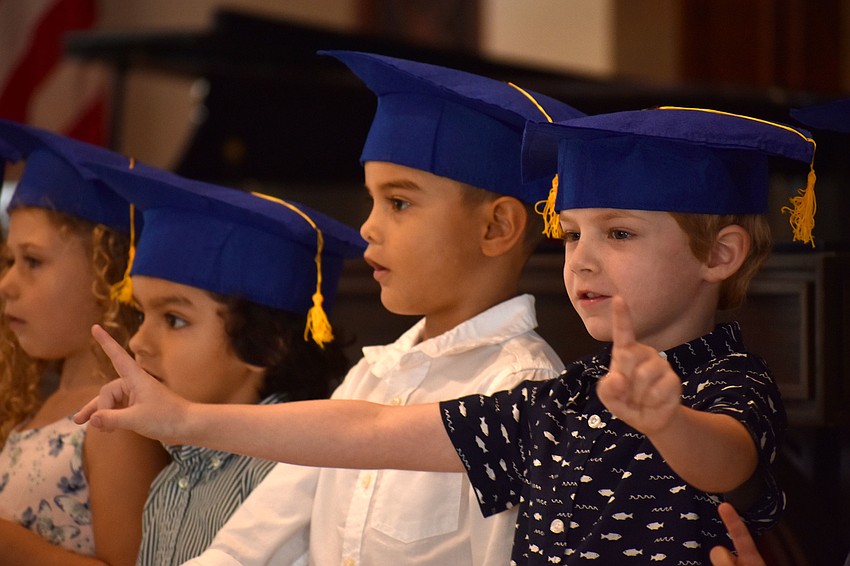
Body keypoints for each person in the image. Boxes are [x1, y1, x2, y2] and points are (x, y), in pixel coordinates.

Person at [76, 106, 815, 563]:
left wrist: (668, 421)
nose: (582, 257)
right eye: (573, 233)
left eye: (618, 233)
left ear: (720, 256)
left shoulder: (725, 384)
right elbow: (369, 431)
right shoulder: (561, 402)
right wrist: (185, 419)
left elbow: (730, 462)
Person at [185, 50, 584, 566]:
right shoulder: (371, 379)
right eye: (370, 200)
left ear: (495, 227)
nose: (368, 227)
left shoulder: (517, 389)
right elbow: (252, 545)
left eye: (398, 202)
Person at [79, 159, 364, 565]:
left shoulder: (286, 472)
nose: (139, 341)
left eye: (174, 319)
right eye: (142, 315)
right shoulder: (175, 475)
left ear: (267, 344)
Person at [0, 120, 169, 564]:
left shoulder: (115, 421)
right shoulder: (44, 406)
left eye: (32, 261)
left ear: (106, 274)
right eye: (9, 260)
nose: (7, 283)